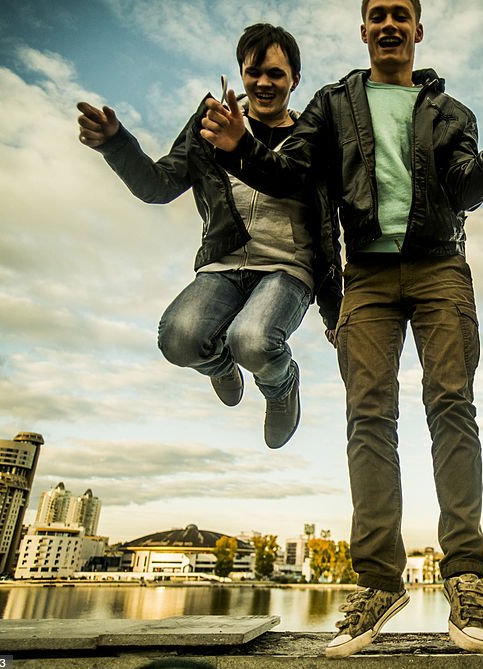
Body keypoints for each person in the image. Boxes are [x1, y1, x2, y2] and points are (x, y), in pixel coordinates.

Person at [199, 0, 483, 658]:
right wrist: (240, 148)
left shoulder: (453, 114)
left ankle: (466, 579)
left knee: (452, 405)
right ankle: (377, 581)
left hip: (440, 268)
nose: (390, 23)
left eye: (401, 13)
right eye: (378, 14)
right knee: (368, 415)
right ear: (364, 30)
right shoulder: (334, 105)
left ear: (417, 30)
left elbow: (469, 187)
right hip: (364, 274)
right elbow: (291, 174)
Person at [76, 24, 341, 450]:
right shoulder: (210, 125)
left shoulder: (312, 139)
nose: (264, 83)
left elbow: (331, 224)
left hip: (288, 269)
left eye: (276, 74)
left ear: (295, 79)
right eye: (254, 72)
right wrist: (116, 143)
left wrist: (335, 310)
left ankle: (281, 387)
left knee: (251, 340)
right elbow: (158, 185)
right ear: (241, 74)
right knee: (178, 339)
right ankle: (220, 365)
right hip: (225, 263)